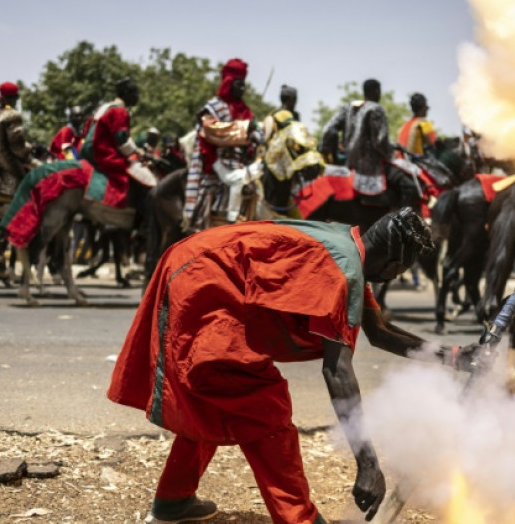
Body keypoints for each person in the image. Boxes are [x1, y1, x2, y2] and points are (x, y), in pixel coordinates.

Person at [109, 208, 439, 524]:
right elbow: (337, 371)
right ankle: (298, 519)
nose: (397, 277)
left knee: (214, 400)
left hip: (195, 267)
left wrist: (451, 355)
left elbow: (379, 332)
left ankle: (173, 500)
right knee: (263, 409)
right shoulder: (342, 272)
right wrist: (368, 465)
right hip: (201, 283)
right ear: (395, 264)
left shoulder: (348, 248)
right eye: (401, 271)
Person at [182, 58, 262, 230]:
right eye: (239, 84)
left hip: (242, 163)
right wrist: (245, 128)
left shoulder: (245, 110)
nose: (244, 89)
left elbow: (254, 133)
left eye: (244, 85)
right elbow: (211, 130)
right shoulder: (214, 107)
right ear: (229, 83)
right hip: (219, 165)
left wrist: (256, 136)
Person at [79, 77, 153, 208]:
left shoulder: (105, 107)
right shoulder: (119, 111)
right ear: (125, 94)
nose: (137, 96)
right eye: (134, 93)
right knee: (145, 178)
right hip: (104, 154)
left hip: (87, 151)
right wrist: (138, 152)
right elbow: (122, 140)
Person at [320, 79, 394, 196]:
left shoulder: (348, 107)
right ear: (376, 91)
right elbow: (380, 142)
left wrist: (328, 154)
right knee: (407, 183)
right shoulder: (376, 109)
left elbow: (328, 129)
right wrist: (391, 155)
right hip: (371, 171)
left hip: (349, 165)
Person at [0, 81, 32, 200]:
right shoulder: (13, 115)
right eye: (16, 97)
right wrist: (29, 148)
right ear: (14, 98)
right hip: (10, 165)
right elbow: (18, 148)